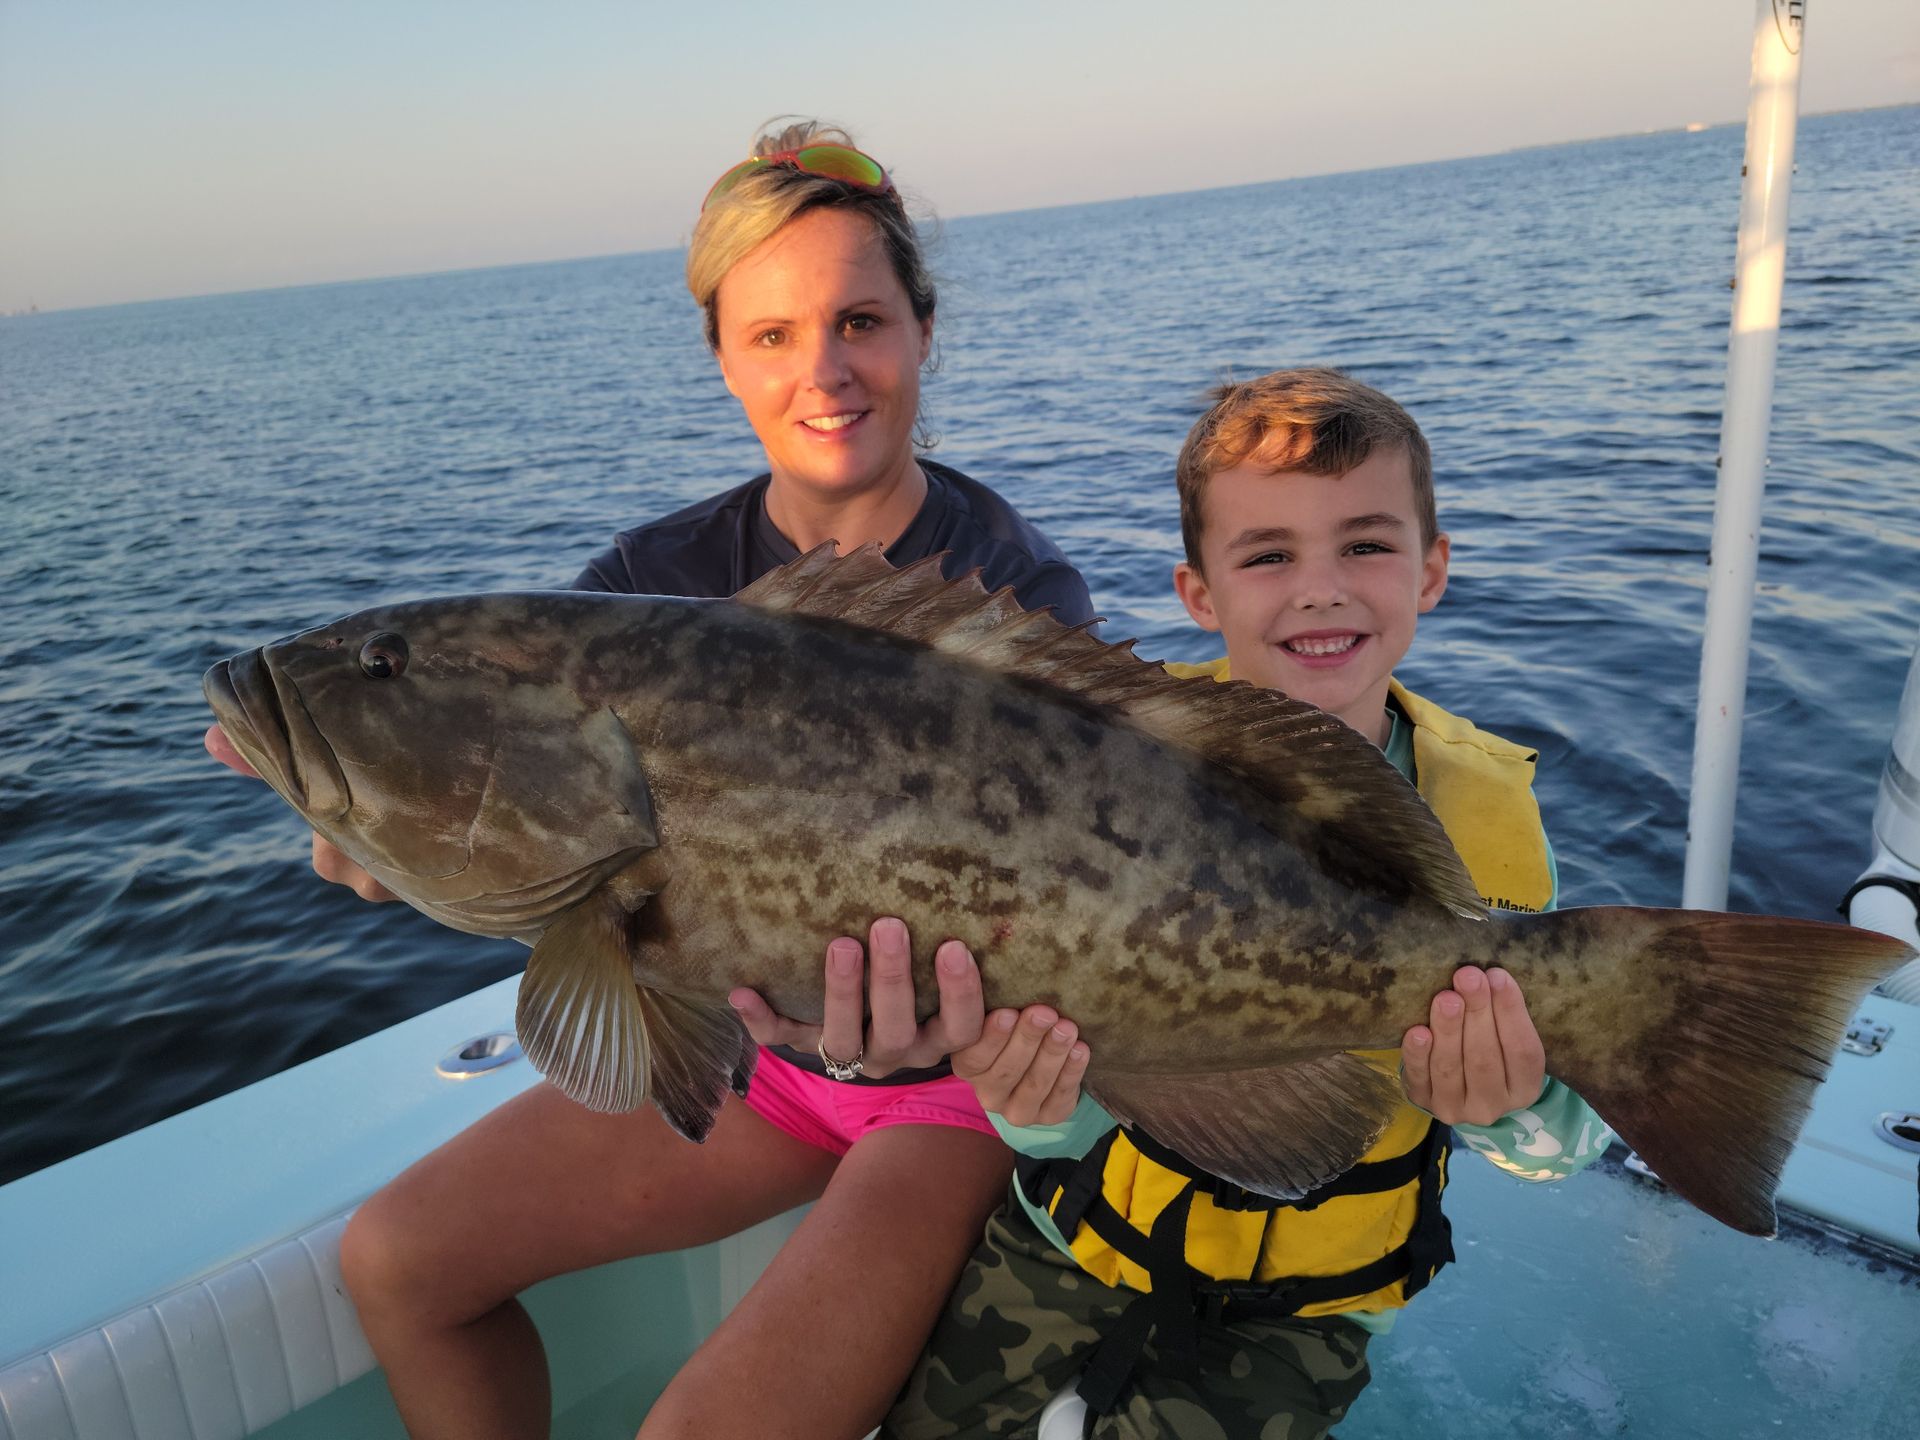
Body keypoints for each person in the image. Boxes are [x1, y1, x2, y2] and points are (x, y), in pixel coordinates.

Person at [206, 119, 1094, 1440]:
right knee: (397, 1263)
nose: (828, 370)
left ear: (921, 328)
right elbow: (548, 846)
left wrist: (955, 1036)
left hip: (956, 1096)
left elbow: (1092, 910)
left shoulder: (1017, 593)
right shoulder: (642, 582)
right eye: (775, 334)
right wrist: (384, 835)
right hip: (763, 1073)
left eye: (862, 319)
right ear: (722, 356)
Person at [868, 368, 1612, 1438]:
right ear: (1199, 595)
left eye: (1365, 544)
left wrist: (1512, 1102)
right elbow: (1060, 1121)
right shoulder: (1098, 770)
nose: (1320, 589)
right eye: (1268, 555)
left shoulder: (1483, 819)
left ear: (1432, 568)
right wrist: (1032, 1112)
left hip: (1303, 1314)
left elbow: (1566, 1146)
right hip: (1074, 1239)